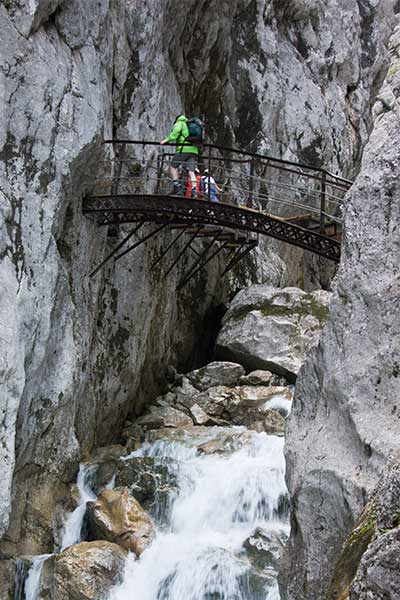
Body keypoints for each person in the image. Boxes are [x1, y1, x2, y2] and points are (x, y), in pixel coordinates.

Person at [160, 115, 199, 196]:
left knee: (173, 167)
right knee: (191, 171)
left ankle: (177, 186)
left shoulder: (180, 123)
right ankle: (194, 190)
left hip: (184, 149)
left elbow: (175, 134)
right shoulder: (191, 124)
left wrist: (165, 140)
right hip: (194, 150)